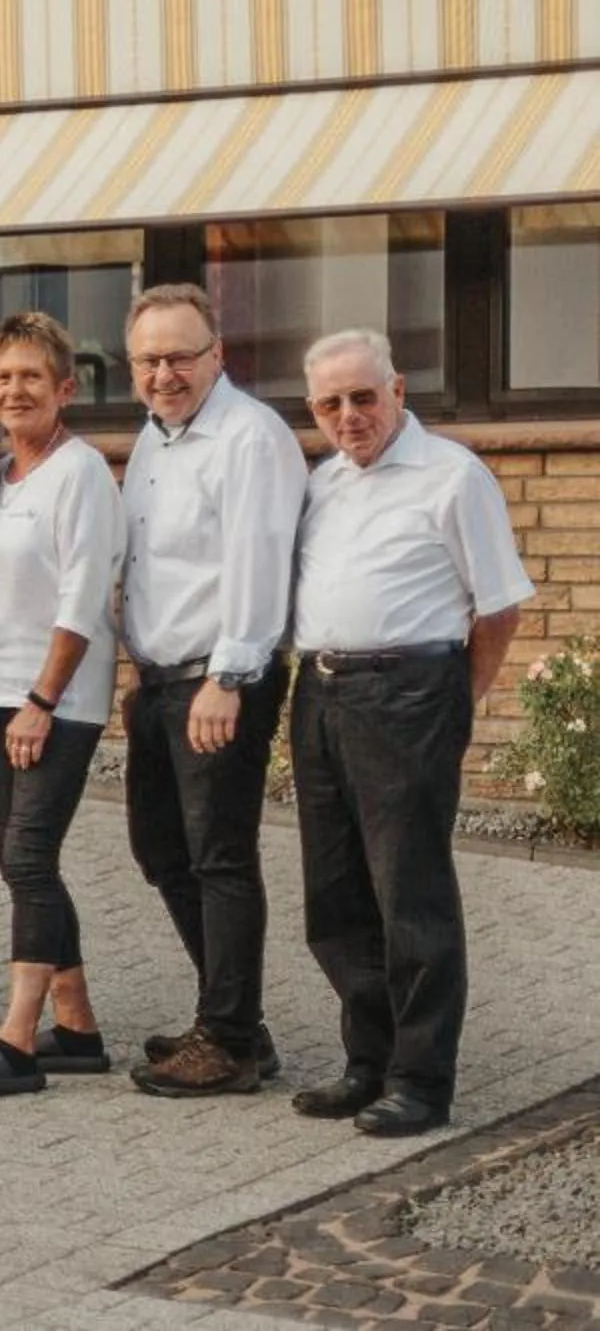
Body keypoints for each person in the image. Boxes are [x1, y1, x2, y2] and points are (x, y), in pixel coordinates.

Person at [285, 329, 530, 1139]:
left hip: (410, 696)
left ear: (397, 389)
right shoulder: (323, 484)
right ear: (314, 411)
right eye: (330, 403)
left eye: (363, 396)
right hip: (320, 696)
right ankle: (368, 1063)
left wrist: (455, 705)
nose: (349, 415)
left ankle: (422, 1082)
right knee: (336, 896)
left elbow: (497, 606)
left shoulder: (453, 475)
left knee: (410, 897)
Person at [119, 284, 307, 1098]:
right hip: (160, 683)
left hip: (218, 681)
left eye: (181, 356)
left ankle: (228, 1040)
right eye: (149, 359)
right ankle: (235, 1019)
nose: (165, 372)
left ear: (216, 355)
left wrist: (229, 677)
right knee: (162, 851)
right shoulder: (155, 439)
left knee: (220, 857)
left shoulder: (249, 437)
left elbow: (259, 565)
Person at [0, 314, 124, 1099]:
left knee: (28, 858)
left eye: (30, 379)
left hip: (55, 699)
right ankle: (75, 1027)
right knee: (23, 858)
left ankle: (15, 1037)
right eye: (3, 378)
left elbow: (82, 598)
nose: (13, 391)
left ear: (64, 389)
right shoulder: (4, 476)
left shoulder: (78, 473)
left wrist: (44, 699)